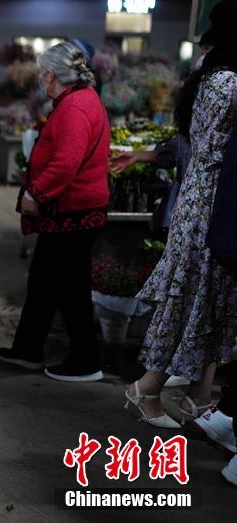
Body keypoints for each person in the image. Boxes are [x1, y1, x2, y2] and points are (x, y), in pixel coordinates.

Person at [124, 0, 237, 429]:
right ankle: (146, 388)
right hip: (212, 201)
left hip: (198, 197)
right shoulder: (230, 82)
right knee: (196, 297)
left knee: (208, 299)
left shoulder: (210, 75)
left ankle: (197, 395)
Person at [0, 42, 109, 382]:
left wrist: (36, 192)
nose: (40, 80)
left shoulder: (75, 106)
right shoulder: (80, 99)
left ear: (51, 75)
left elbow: (66, 162)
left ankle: (86, 361)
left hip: (72, 211)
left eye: (42, 73)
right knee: (45, 282)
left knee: (69, 288)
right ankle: (28, 349)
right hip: (73, 210)